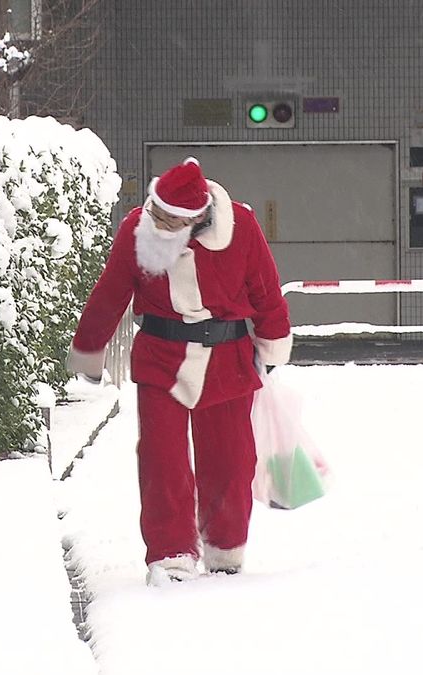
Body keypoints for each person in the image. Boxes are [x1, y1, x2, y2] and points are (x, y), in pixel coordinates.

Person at [67, 157, 292, 585]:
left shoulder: (240, 226)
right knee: (161, 460)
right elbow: (111, 291)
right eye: (155, 211)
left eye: (169, 220)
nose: (157, 222)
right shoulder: (137, 228)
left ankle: (225, 549)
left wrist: (273, 342)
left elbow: (265, 290)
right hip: (160, 358)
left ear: (197, 218)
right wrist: (89, 348)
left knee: (229, 460)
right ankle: (170, 554)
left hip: (226, 358)